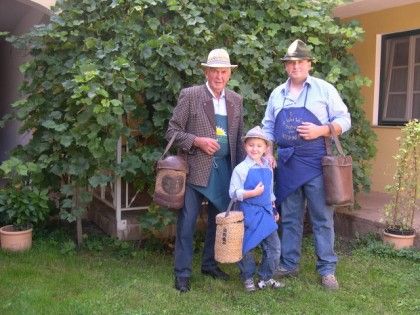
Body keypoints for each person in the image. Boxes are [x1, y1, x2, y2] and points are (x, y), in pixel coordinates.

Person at [261, 39, 351, 290]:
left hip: (315, 164)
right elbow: (268, 126)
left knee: (322, 217)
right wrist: (269, 151)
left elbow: (345, 119)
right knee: (289, 218)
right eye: (290, 63)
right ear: (286, 67)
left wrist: (322, 129)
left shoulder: (324, 89)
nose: (295, 66)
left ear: (309, 64)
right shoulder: (277, 93)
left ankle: (327, 269)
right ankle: (289, 264)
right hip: (287, 164)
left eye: (300, 62)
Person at [166, 48, 245, 293]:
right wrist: (197, 141)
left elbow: (239, 137)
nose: (219, 76)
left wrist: (244, 171)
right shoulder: (190, 95)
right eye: (214, 71)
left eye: (223, 72)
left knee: (217, 221)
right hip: (194, 171)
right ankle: (182, 273)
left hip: (225, 172)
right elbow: (172, 133)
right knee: (187, 223)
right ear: (206, 72)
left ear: (229, 75)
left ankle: (209, 265)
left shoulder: (236, 100)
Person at [229, 126, 284, 292]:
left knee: (274, 248)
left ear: (266, 148)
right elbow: (233, 193)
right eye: (251, 145)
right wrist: (252, 193)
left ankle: (265, 277)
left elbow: (270, 192)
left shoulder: (268, 167)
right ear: (245, 146)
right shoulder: (241, 169)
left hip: (266, 212)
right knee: (247, 246)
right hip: (249, 213)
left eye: (259, 146)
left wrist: (273, 208)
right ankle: (247, 277)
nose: (255, 149)